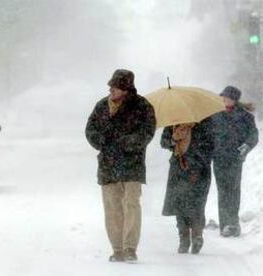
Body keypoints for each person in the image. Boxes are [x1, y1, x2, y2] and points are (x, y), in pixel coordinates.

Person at [85, 69, 156, 262]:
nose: (111, 89)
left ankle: (130, 247)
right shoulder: (101, 106)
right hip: (108, 164)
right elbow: (90, 129)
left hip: (132, 164)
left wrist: (128, 143)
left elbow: (148, 131)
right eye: (110, 86)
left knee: (131, 204)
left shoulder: (142, 106)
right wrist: (100, 141)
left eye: (115, 86)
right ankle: (117, 249)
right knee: (112, 208)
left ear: (125, 88)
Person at [160, 118, 214, 254]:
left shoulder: (204, 122)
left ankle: (197, 235)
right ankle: (183, 238)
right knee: (179, 205)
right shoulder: (173, 123)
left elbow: (210, 146)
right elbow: (164, 142)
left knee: (197, 204)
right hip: (178, 168)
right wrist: (174, 140)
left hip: (200, 170)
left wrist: (196, 164)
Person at [212, 86, 259, 237]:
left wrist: (246, 147)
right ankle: (225, 224)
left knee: (233, 191)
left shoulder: (245, 117)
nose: (224, 99)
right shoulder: (215, 115)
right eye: (223, 97)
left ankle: (233, 223)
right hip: (219, 159)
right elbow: (208, 136)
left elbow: (253, 136)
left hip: (235, 159)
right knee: (223, 192)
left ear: (234, 100)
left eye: (227, 97)